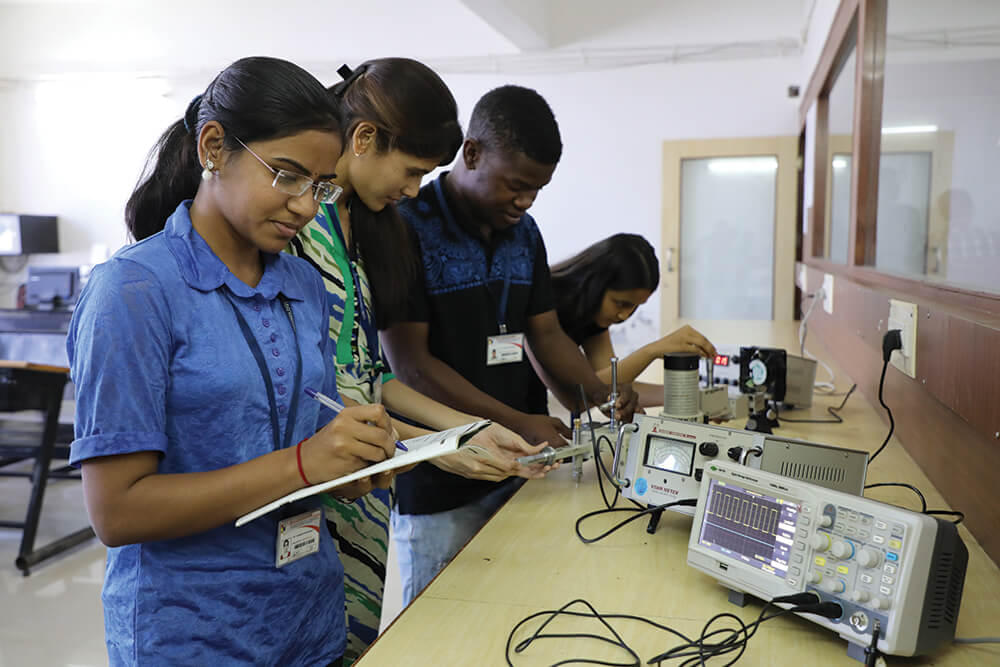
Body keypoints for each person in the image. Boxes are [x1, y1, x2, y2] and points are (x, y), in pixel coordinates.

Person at [69, 57, 397, 666]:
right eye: (288, 176)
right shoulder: (135, 291)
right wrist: (303, 464)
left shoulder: (302, 282)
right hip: (194, 633)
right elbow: (116, 511)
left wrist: (351, 460)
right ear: (214, 146)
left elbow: (309, 426)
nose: (305, 207)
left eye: (321, 187)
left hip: (308, 615)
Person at [286, 59, 550, 661]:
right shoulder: (301, 225)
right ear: (364, 139)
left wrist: (470, 430)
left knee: (354, 646)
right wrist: (447, 448)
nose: (411, 190)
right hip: (316, 478)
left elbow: (370, 378)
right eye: (410, 172)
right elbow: (313, 392)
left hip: (367, 487)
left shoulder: (361, 228)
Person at [381, 85, 638, 604]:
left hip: (523, 468)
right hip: (441, 483)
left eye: (538, 189)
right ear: (471, 154)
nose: (525, 201)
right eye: (516, 185)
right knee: (443, 628)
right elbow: (410, 366)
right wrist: (518, 420)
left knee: (518, 608)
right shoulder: (408, 228)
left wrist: (597, 392)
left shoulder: (526, 234)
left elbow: (546, 333)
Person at [530, 233, 717, 409]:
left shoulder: (591, 314)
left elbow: (610, 385)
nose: (624, 316)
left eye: (634, 306)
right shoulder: (541, 303)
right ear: (597, 284)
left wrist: (693, 397)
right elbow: (579, 398)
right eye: (621, 303)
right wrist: (652, 351)